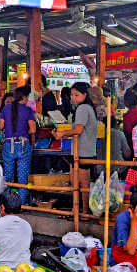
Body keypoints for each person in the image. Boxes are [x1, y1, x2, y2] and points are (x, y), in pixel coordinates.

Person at [52, 82, 97, 214]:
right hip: (82, 150)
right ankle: (77, 210)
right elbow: (76, 131)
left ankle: (83, 212)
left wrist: (62, 134)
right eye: (71, 95)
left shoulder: (83, 108)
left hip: (83, 152)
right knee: (77, 184)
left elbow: (78, 130)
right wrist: (62, 135)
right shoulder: (86, 108)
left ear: (84, 95)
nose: (73, 97)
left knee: (82, 185)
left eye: (76, 95)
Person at [0, 87, 36, 204]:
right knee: (22, 177)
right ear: (24, 98)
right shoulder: (28, 110)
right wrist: (24, 130)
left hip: (9, 145)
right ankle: (22, 203)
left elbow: (1, 126)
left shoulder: (6, 109)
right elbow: (33, 129)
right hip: (23, 145)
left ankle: (6, 203)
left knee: (8, 176)